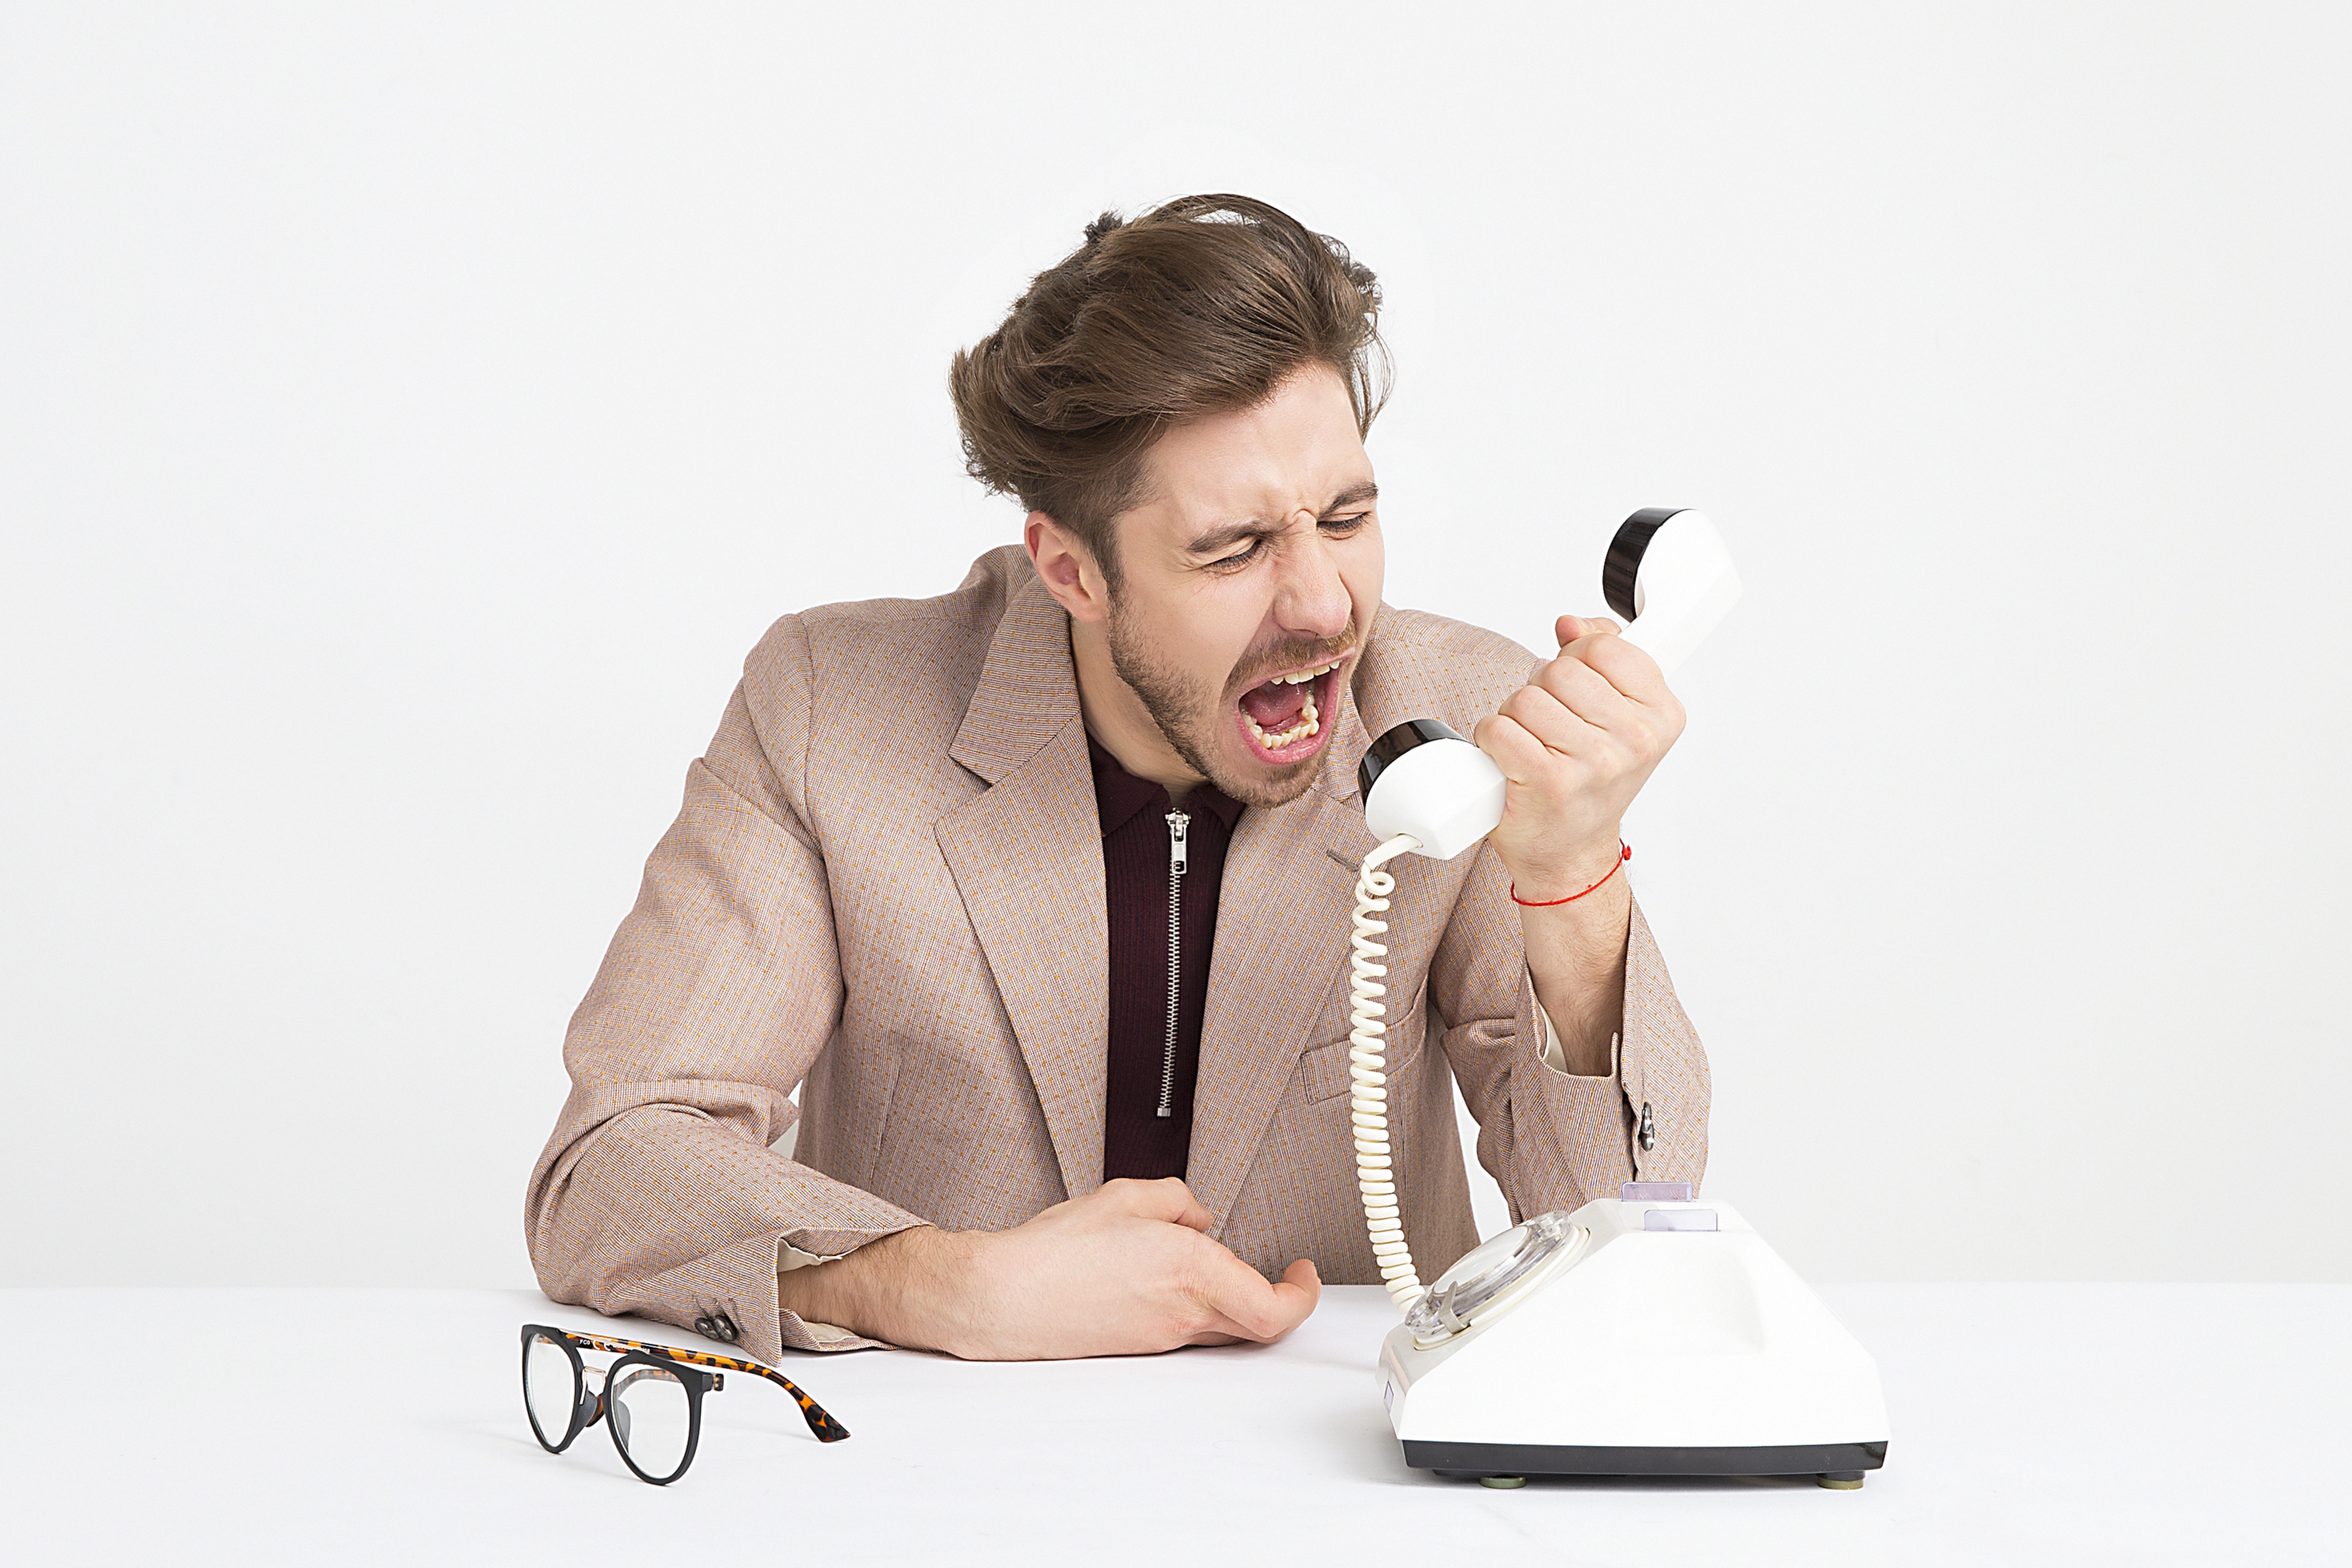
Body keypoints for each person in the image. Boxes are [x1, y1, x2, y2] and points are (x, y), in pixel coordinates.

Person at [524, 194, 1709, 1364]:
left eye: (1346, 517)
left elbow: (1628, 1229)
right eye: (1233, 548)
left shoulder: (1458, 718)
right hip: (933, 1478)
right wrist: (936, 1286)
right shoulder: (832, 703)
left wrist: (1571, 880)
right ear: (1072, 569)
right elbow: (613, 1160)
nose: (1323, 605)